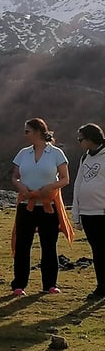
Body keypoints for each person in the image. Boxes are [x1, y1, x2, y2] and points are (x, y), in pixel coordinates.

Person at [10, 117, 73, 296]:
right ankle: (19, 285)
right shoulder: (23, 153)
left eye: (27, 131)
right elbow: (15, 176)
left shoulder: (56, 154)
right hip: (26, 205)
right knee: (23, 245)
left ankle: (50, 284)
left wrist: (50, 187)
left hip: (48, 206)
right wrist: (20, 185)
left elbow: (65, 179)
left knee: (48, 245)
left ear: (38, 132)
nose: (25, 135)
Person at [71, 123, 105, 300]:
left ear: (91, 139)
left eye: (81, 139)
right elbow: (78, 185)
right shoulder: (85, 158)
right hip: (88, 213)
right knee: (97, 252)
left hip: (103, 213)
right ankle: (101, 287)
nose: (79, 142)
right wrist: (76, 214)